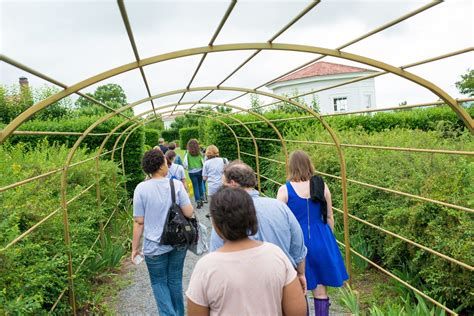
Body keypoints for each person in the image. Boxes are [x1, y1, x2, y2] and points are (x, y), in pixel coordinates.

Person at [187, 187, 307, 316]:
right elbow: (297, 311)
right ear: (252, 217)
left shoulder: (206, 267)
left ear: (216, 224)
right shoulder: (276, 255)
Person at [210, 161, 307, 291]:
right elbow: (298, 246)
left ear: (232, 183)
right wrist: (300, 273)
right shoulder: (280, 207)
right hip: (283, 281)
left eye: (223, 184)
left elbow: (216, 254)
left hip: (244, 288)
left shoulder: (224, 214)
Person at [277, 150, 349, 316]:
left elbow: (280, 220)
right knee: (321, 290)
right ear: (309, 165)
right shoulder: (321, 186)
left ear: (291, 167)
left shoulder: (284, 190)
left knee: (299, 287)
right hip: (322, 237)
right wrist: (328, 239)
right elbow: (329, 216)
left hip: (297, 241)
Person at [132, 149, 194, 316]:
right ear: (160, 166)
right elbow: (189, 213)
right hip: (177, 241)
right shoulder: (176, 185)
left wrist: (134, 248)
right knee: (175, 281)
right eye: (166, 162)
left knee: (159, 283)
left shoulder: (141, 189)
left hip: (154, 245)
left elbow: (139, 222)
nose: (168, 164)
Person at [183, 139, 205, 209]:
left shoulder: (187, 153)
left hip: (192, 172)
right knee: (200, 184)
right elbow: (203, 160)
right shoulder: (200, 153)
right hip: (200, 171)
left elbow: (185, 164)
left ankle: (198, 202)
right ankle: (202, 199)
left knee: (195, 186)